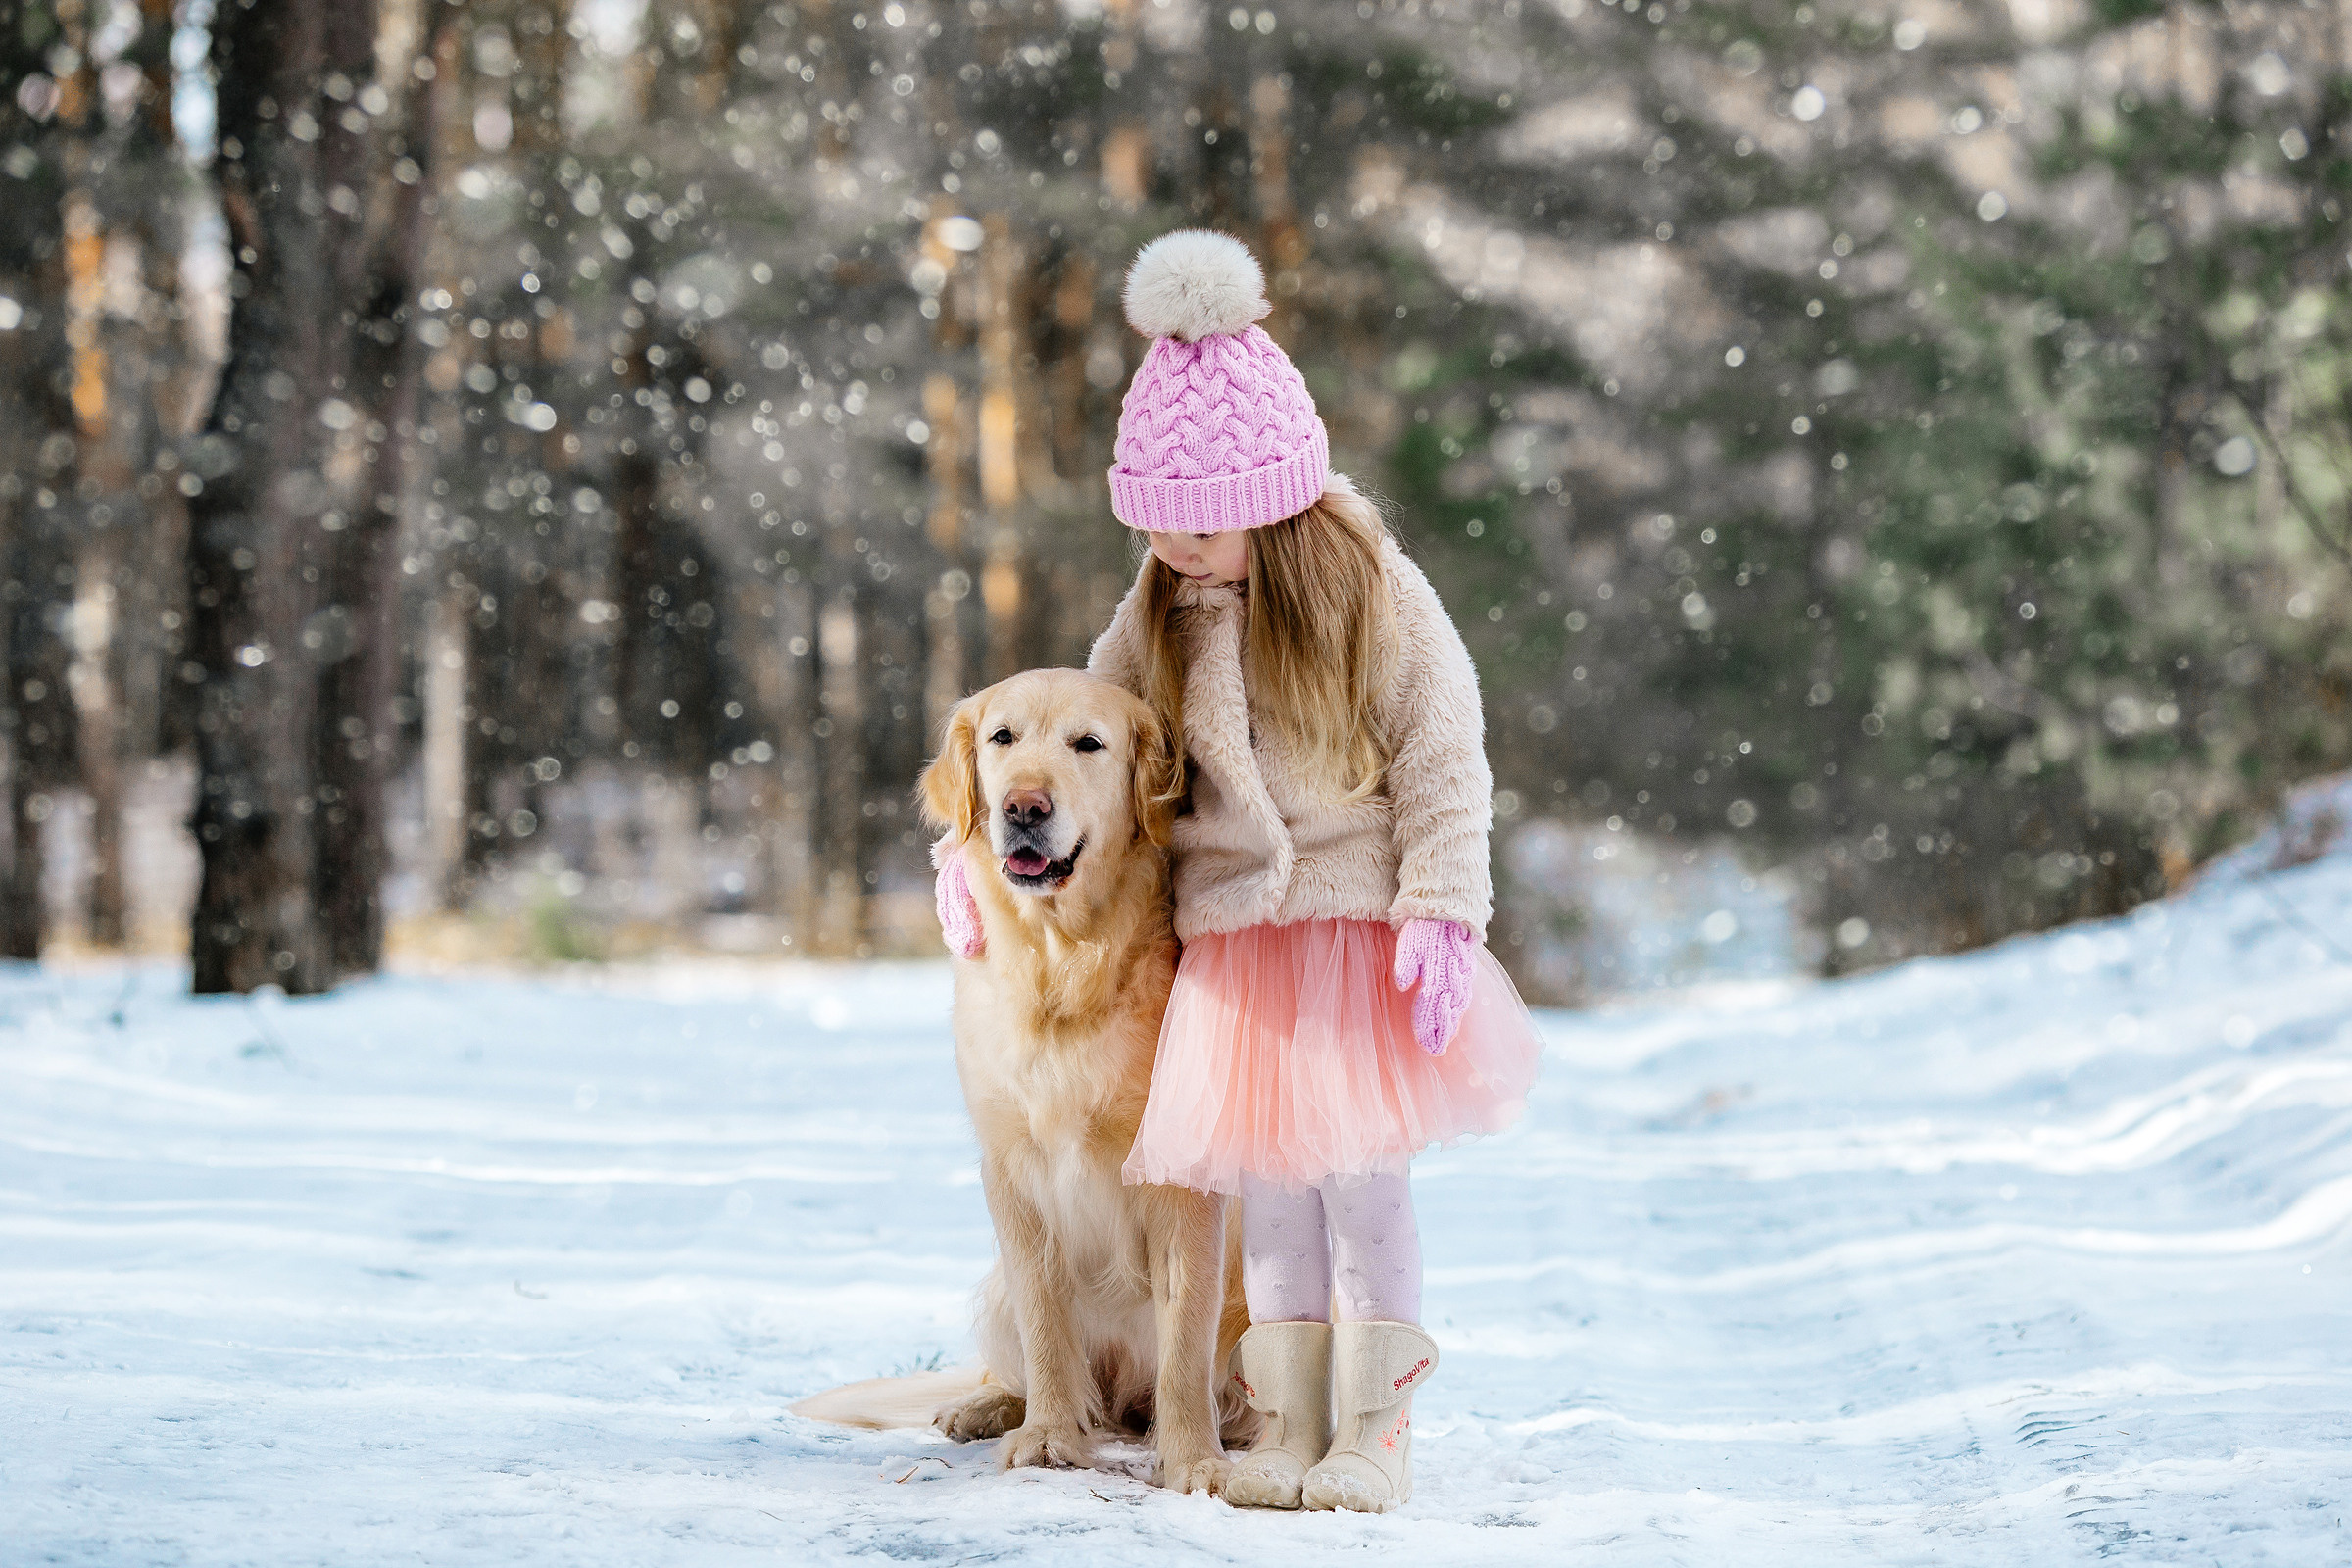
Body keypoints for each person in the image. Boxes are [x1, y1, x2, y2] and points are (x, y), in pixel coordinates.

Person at [938, 229, 1541, 1514]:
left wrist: (1444, 911)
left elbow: (1445, 752)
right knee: (1265, 1203)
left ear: (1272, 499)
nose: (1173, 549)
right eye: (1151, 524)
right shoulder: (1163, 597)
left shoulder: (1369, 589)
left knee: (1359, 1187)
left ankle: (1374, 1429)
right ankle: (1285, 1419)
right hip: (1232, 952)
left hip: (1350, 935)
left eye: (1196, 526)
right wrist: (969, 838)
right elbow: (1072, 722)